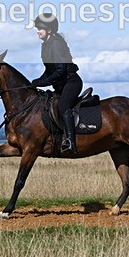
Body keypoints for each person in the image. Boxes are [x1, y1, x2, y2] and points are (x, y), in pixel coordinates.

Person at [30, 13, 82, 154]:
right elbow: (49, 70)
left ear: (50, 30)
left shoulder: (56, 44)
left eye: (40, 28)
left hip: (71, 83)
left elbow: (60, 70)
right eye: (37, 28)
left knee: (63, 106)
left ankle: (71, 141)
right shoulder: (46, 45)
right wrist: (36, 82)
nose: (38, 31)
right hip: (60, 85)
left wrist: (43, 82)